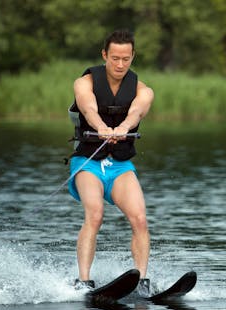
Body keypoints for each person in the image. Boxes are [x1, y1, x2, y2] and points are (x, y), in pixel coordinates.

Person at [67, 29, 154, 294]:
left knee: (139, 219)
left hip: (120, 165)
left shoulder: (143, 90)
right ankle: (83, 281)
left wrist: (125, 127)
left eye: (125, 59)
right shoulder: (84, 82)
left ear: (132, 57)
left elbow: (138, 110)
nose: (120, 64)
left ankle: (141, 281)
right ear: (105, 54)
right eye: (114, 58)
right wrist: (102, 127)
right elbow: (87, 107)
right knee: (95, 214)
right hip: (88, 161)